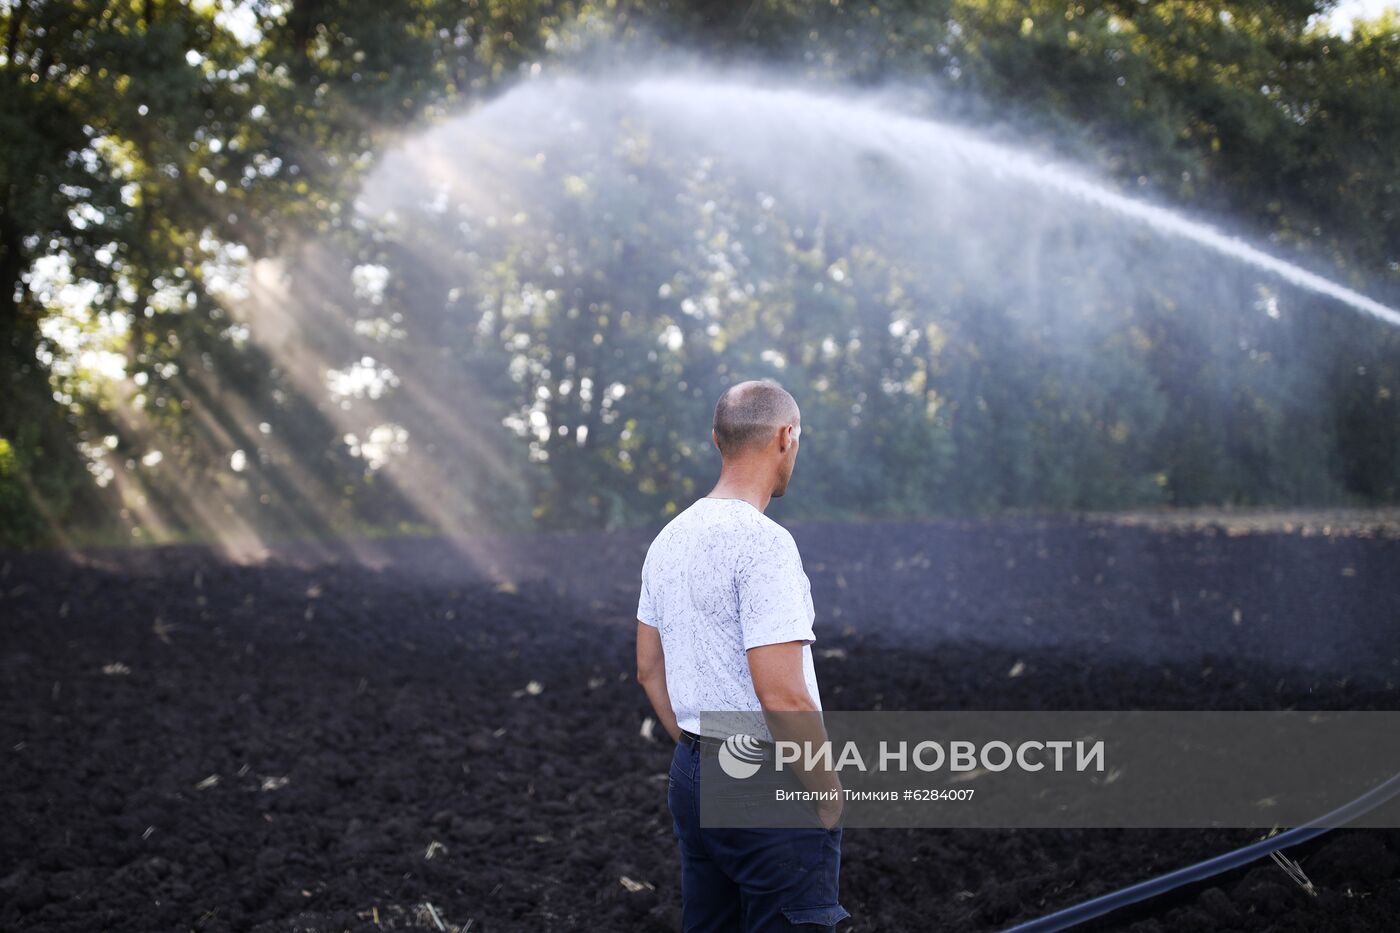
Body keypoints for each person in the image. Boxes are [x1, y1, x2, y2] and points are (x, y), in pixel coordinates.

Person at [635, 379, 850, 931]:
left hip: (693, 774)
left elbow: (648, 670)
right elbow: (780, 692)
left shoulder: (668, 540)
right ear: (786, 437)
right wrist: (827, 798)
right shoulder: (765, 543)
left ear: (717, 439)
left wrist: (698, 754)